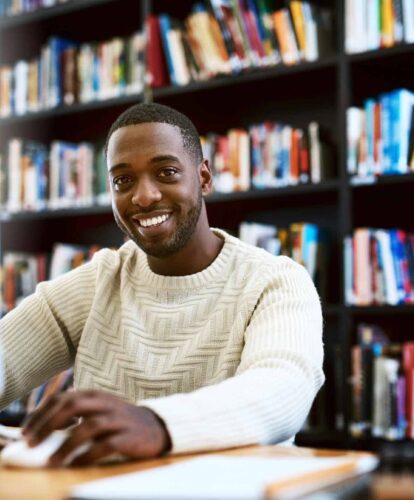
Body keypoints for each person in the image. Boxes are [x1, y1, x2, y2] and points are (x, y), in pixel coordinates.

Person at [0, 103, 324, 467]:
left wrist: (158, 424)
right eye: (123, 180)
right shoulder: (97, 282)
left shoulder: (276, 281)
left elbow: (282, 390)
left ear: (203, 178)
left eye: (166, 172)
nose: (144, 196)